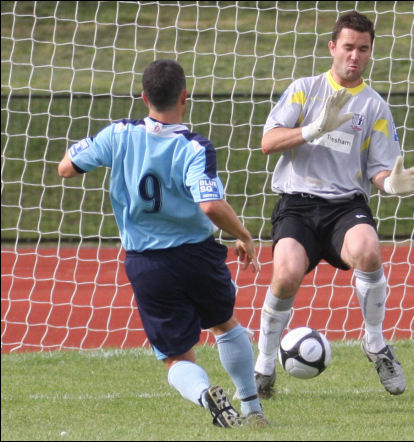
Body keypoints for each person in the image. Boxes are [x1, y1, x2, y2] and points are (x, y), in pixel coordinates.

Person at [58, 59, 267, 428]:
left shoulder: (118, 134)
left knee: (175, 356)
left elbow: (66, 167)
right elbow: (210, 204)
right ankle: (252, 410)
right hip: (197, 255)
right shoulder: (193, 147)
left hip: (147, 262)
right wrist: (243, 235)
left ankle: (205, 396)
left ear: (143, 97)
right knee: (225, 325)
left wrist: (90, 149)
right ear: (184, 97)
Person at [254, 11, 414, 398]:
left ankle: (375, 343)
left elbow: (382, 171)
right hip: (298, 204)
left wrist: (391, 184)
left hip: (344, 207)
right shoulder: (304, 89)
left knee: (368, 252)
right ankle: (264, 365)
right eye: (348, 47)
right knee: (285, 275)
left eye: (363, 49)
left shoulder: (374, 107)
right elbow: (268, 142)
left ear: (370, 53)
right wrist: (315, 128)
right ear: (333, 47)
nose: (354, 55)